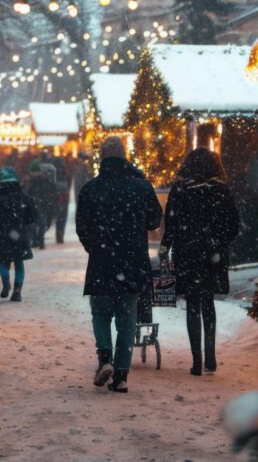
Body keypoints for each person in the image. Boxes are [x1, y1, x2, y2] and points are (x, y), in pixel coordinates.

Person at [75, 136, 162, 393]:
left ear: (101, 158)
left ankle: (105, 359)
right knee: (127, 319)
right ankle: (122, 375)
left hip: (101, 262)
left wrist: (95, 246)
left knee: (101, 314)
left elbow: (82, 227)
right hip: (132, 261)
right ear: (124, 157)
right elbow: (154, 220)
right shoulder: (141, 187)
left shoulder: (91, 189)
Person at [159, 149, 240, 376]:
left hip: (188, 253)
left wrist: (166, 246)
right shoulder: (220, 190)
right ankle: (211, 358)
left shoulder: (181, 189)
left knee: (193, 304)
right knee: (208, 302)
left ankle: (196, 361)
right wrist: (219, 242)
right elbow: (233, 224)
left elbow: (171, 222)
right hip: (212, 254)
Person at [0, 167, 36, 301]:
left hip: (2, 234)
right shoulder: (22, 196)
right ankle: (17, 291)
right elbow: (32, 216)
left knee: (2, 261)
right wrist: (25, 224)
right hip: (19, 234)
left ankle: (6, 283)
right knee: (19, 263)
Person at [26, 160, 59, 250]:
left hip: (43, 205)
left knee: (42, 223)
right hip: (39, 205)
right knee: (40, 224)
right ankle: (39, 240)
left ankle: (38, 240)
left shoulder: (42, 181)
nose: (33, 174)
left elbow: (52, 192)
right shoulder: (33, 181)